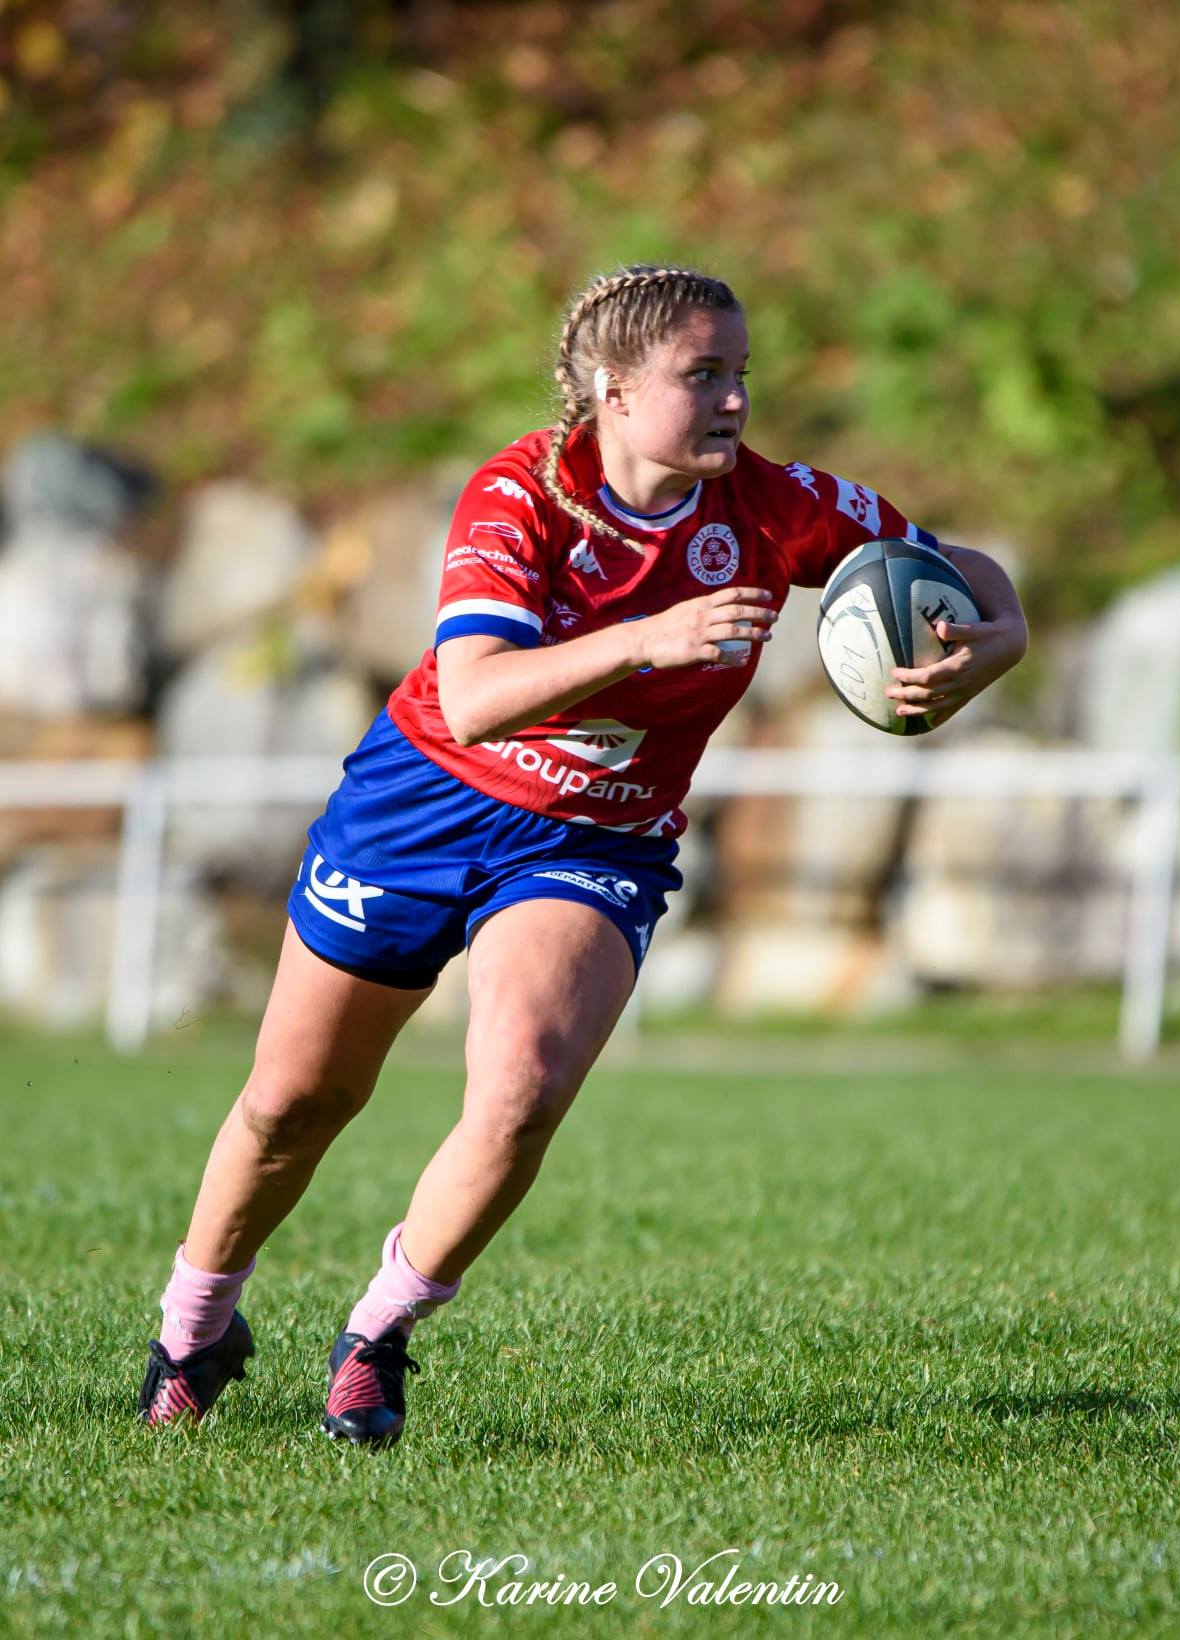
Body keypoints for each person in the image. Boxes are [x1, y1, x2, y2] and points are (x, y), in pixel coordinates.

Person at [138, 262, 1028, 1443]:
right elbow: (472, 696)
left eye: (740, 374)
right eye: (700, 375)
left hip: (592, 834)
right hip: (422, 804)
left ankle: (376, 1338)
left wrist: (994, 642)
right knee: (296, 1099)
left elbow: (970, 576)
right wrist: (648, 639)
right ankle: (197, 1323)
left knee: (519, 1096)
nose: (731, 400)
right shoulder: (522, 494)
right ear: (610, 389)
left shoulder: (778, 505)